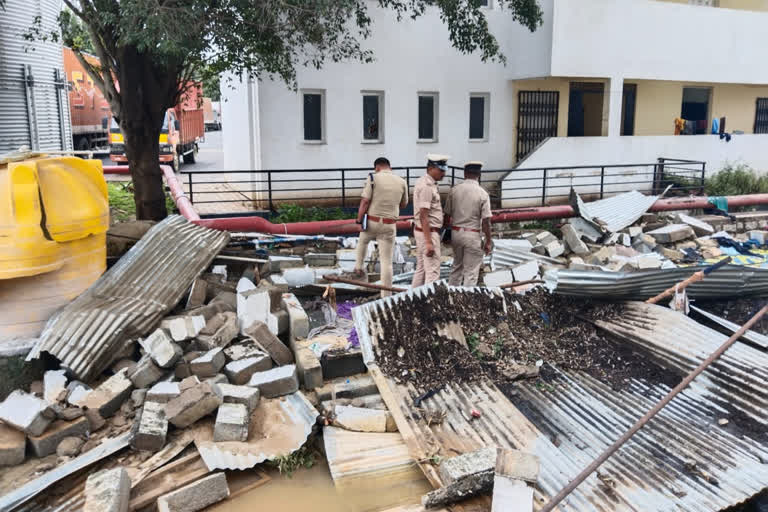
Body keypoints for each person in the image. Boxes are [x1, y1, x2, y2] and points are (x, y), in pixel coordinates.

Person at [353, 157, 408, 297]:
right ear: (389, 167)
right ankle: (386, 296)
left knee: (363, 241)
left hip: (372, 221)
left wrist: (359, 220)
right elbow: (404, 204)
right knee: (386, 262)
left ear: (377, 167)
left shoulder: (373, 178)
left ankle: (358, 267)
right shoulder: (402, 182)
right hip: (390, 224)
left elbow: (365, 201)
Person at [445, 161, 492, 286]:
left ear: (465, 173)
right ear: (479, 175)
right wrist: (488, 241)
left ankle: (451, 298)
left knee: (456, 268)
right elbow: (486, 221)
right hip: (473, 234)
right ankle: (466, 302)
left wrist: (448, 234)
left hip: (456, 233)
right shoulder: (483, 193)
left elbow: (446, 216)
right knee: (471, 273)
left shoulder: (454, 190)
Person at [411, 154, 449, 287]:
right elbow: (423, 215)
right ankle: (428, 304)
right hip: (429, 232)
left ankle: (413, 302)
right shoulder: (427, 186)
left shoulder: (425, 182)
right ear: (431, 168)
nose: (444, 173)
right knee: (432, 272)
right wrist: (428, 242)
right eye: (441, 170)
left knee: (421, 270)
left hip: (423, 231)